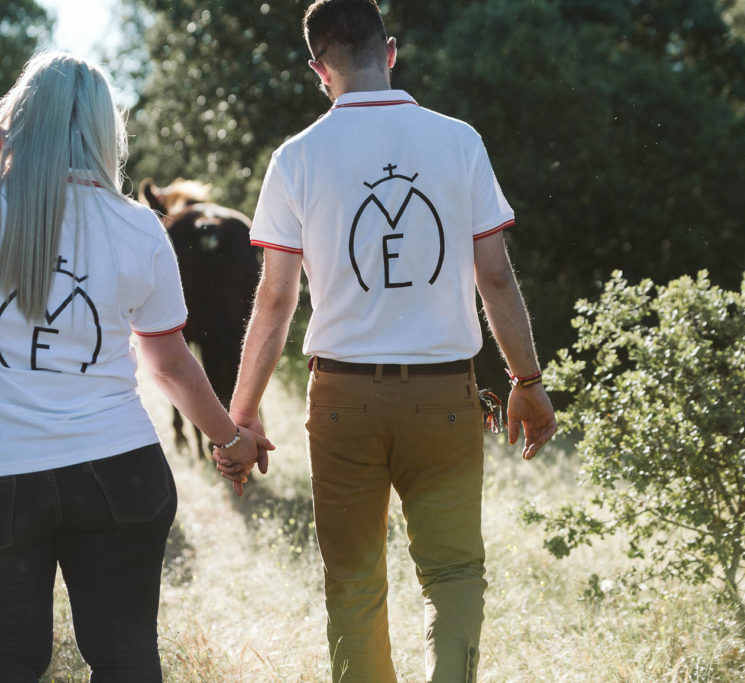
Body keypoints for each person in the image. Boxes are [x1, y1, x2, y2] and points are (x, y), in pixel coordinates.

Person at [0, 51, 272, 681]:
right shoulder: (140, 228)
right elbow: (168, 365)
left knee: (2, 664)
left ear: (20, 119)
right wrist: (231, 442)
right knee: (126, 659)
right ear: (107, 132)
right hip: (118, 476)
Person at [217, 1, 557, 680]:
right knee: (456, 571)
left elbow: (277, 299)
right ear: (390, 51)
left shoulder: (296, 158)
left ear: (320, 69)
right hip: (445, 397)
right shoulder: (459, 140)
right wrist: (527, 382)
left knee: (352, 580)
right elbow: (493, 276)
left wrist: (242, 414)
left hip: (342, 399)